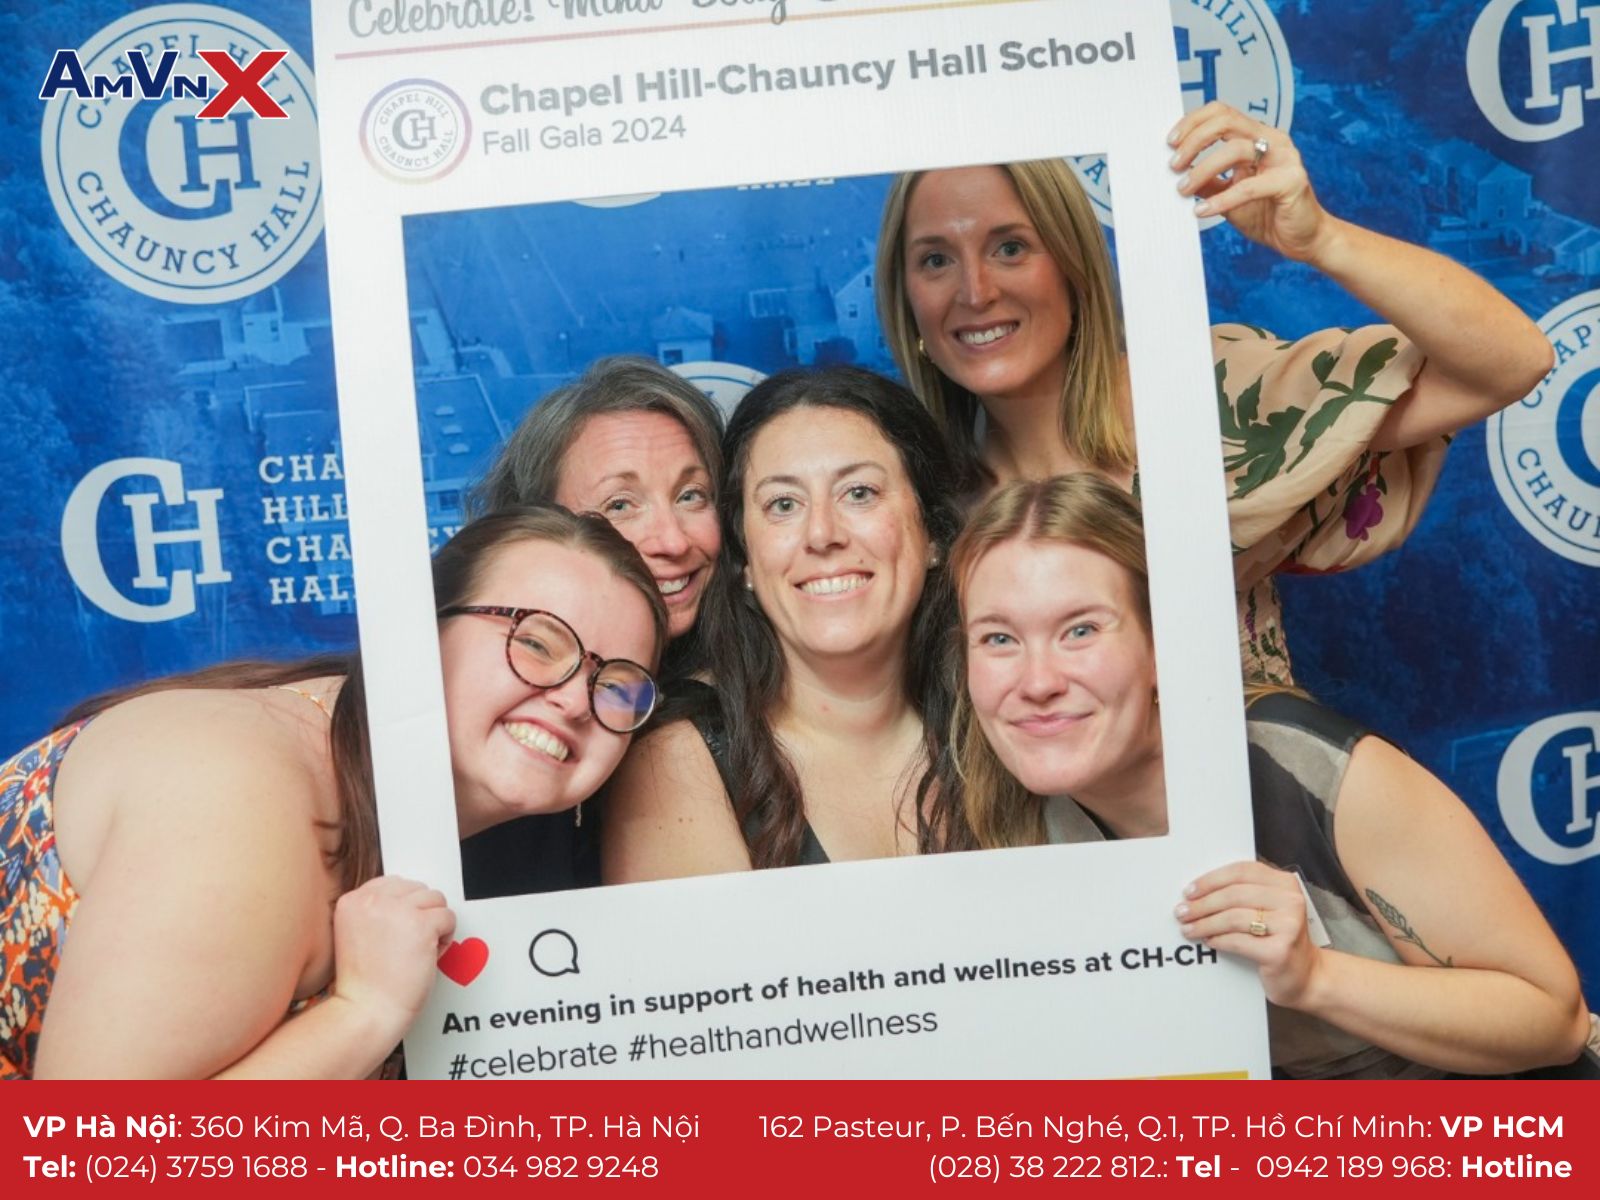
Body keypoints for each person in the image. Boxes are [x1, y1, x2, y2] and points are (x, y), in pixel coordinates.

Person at [876, 102, 1555, 682]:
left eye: (1010, 248)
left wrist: (1321, 239)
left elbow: (1510, 361)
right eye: (936, 259)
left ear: (1074, 268)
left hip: (1250, 795)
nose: (975, 292)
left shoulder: (1208, 396)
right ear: (907, 302)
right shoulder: (912, 497)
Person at [947, 474, 1592, 1078]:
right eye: (999, 639)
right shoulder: (1009, 823)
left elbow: (1553, 1020)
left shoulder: (1307, 767)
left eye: (1081, 630)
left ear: (1161, 645)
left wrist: (1315, 977)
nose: (1037, 682)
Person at [1, 506, 665, 1078]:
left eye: (616, 686)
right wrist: (364, 1010)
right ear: (418, 632)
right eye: (539, 643)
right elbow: (86, 1154)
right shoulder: (245, 801)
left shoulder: (429, 821)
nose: (575, 701)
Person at [603, 366, 964, 877]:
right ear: (745, 560)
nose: (822, 534)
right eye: (784, 504)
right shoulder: (680, 762)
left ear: (933, 535)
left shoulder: (1004, 724)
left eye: (859, 492)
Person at [465, 357, 724, 896]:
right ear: (537, 523)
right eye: (621, 504)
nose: (673, 540)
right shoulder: (484, 720)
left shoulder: (758, 711)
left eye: (691, 495)